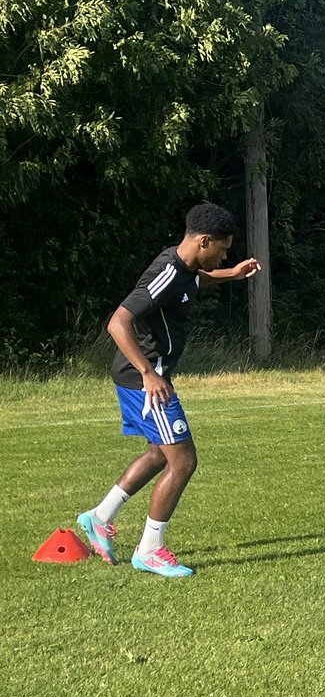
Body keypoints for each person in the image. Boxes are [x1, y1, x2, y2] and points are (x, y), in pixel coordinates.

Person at [75, 203, 259, 577]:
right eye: (222, 250)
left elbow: (196, 281)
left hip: (143, 376)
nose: (224, 255)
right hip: (145, 378)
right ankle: (150, 550)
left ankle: (99, 517)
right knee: (184, 459)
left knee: (160, 453)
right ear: (204, 241)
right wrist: (147, 372)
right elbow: (118, 321)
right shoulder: (165, 271)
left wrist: (231, 274)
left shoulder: (186, 267)